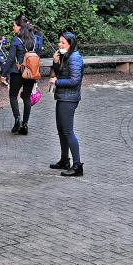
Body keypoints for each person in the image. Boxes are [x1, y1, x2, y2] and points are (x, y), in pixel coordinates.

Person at [50, 32, 85, 177]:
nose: (60, 45)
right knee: (61, 129)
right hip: (62, 97)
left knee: (68, 131)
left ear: (70, 44)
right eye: (59, 42)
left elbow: (74, 80)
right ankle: (64, 160)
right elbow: (59, 72)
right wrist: (55, 62)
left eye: (63, 43)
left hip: (69, 98)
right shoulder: (66, 56)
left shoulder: (75, 58)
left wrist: (57, 82)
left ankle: (77, 166)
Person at [4, 15, 39, 135]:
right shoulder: (33, 39)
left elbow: (10, 59)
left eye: (14, 25)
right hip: (30, 72)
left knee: (13, 96)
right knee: (26, 97)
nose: (13, 27)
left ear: (19, 26)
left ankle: (17, 118)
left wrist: (4, 73)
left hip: (17, 72)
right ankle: (25, 124)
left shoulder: (16, 40)